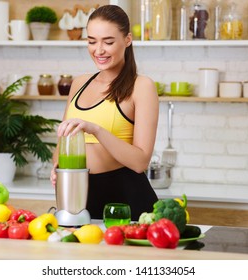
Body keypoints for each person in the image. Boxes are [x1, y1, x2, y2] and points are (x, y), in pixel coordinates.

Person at [50, 5, 159, 221]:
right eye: (92, 41)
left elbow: (140, 162)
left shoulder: (141, 86)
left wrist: (95, 130)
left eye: (108, 42)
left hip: (125, 200)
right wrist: (56, 167)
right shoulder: (79, 83)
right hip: (80, 197)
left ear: (127, 40)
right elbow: (62, 142)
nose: (98, 50)